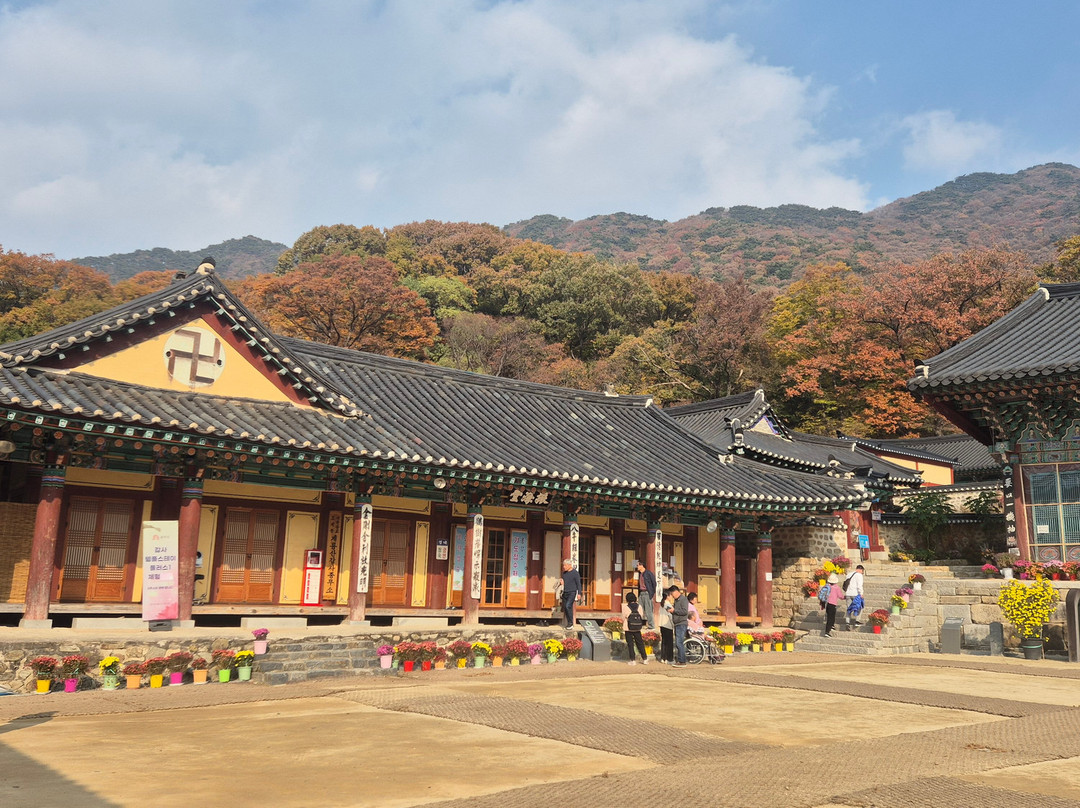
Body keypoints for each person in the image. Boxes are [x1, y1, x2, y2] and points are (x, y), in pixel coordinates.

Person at [622, 591, 649, 665]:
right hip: (637, 627)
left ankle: (632, 660)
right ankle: (645, 659)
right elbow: (641, 615)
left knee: (630, 644)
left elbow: (624, 617)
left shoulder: (626, 607)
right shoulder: (639, 606)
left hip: (628, 628)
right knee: (640, 643)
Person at [668, 584, 689, 667]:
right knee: (678, 643)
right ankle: (680, 660)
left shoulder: (683, 599)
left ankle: (682, 661)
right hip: (677, 623)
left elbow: (684, 611)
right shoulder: (676, 600)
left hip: (681, 623)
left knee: (679, 642)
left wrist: (674, 611)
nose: (672, 596)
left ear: (676, 592)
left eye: (672, 594)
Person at [560, 558, 582, 630]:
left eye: (565, 565)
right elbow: (564, 582)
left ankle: (571, 623)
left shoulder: (575, 573)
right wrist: (562, 583)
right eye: (563, 565)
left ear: (569, 565)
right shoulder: (564, 573)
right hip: (565, 592)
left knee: (568, 606)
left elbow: (578, 584)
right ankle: (569, 623)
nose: (564, 567)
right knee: (566, 608)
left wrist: (579, 593)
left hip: (572, 592)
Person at [635, 560, 656, 630]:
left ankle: (651, 626)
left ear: (641, 565)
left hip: (647, 593)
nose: (637, 566)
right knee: (639, 610)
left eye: (638, 565)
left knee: (648, 610)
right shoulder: (640, 574)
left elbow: (654, 583)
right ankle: (638, 624)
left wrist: (652, 593)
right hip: (641, 593)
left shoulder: (648, 573)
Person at [823, 571, 844, 637]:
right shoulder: (836, 587)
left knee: (830, 616)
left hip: (827, 604)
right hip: (832, 604)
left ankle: (832, 626)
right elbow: (841, 596)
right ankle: (827, 631)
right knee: (830, 618)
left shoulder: (826, 586)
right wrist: (846, 597)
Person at [844, 564, 865, 629]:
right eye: (862, 571)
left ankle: (847, 623)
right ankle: (857, 621)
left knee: (849, 609)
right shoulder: (859, 575)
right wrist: (861, 593)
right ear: (861, 570)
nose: (862, 572)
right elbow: (859, 585)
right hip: (855, 594)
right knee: (860, 607)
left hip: (848, 593)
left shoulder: (849, 574)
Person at [658, 587, 675, 663]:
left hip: (662, 625)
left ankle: (663, 657)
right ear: (668, 596)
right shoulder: (667, 604)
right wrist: (673, 624)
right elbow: (670, 615)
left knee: (664, 642)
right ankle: (669, 658)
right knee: (669, 642)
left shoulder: (661, 604)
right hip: (667, 625)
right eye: (670, 595)